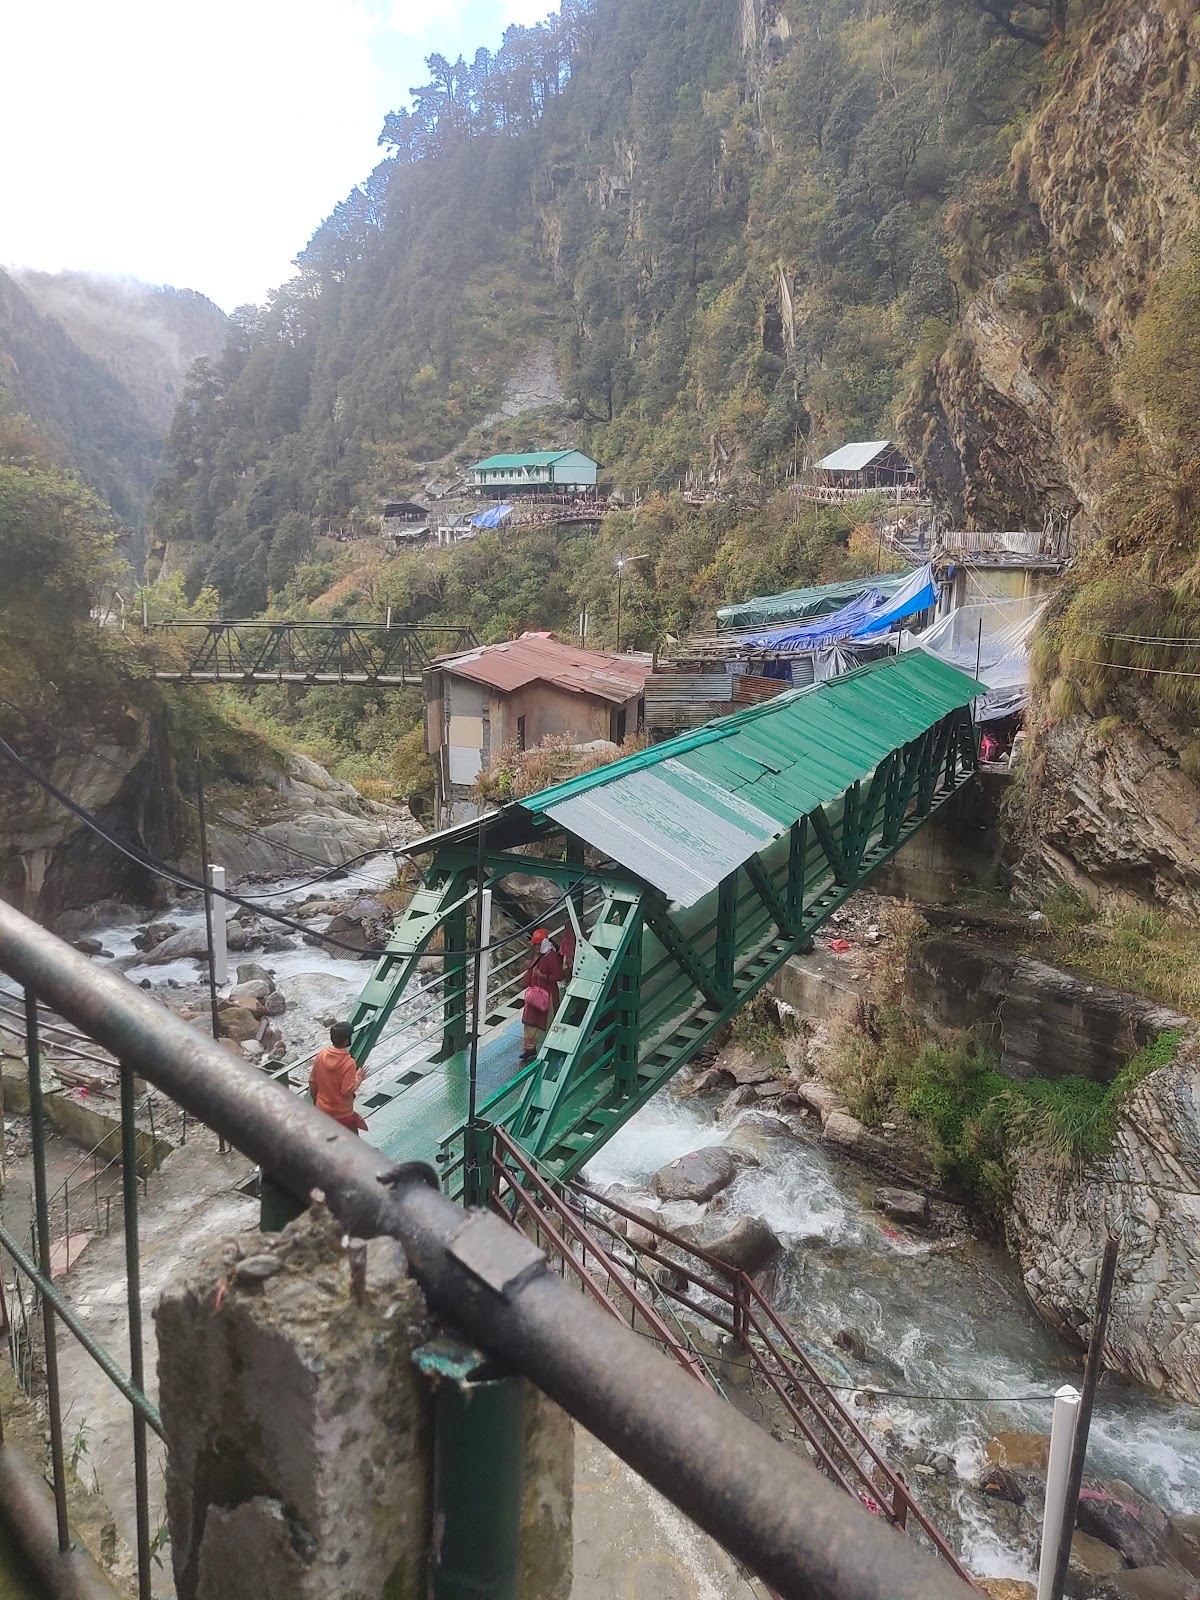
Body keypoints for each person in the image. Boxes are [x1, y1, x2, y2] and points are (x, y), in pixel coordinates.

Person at [309, 1021, 368, 1134]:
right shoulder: (349, 1063)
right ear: (346, 1040)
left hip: (323, 1111)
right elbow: (347, 1090)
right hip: (342, 1114)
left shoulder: (321, 1055)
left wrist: (316, 1102)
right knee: (353, 1142)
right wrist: (359, 1077)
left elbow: (312, 1081)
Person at [520, 929, 563, 1064]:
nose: (535, 946)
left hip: (546, 994)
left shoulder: (551, 957)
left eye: (537, 944)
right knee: (529, 1021)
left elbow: (558, 976)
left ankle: (546, 1047)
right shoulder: (539, 955)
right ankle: (529, 1048)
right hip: (539, 992)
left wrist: (542, 975)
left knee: (547, 1022)